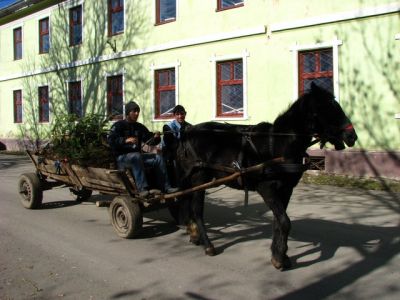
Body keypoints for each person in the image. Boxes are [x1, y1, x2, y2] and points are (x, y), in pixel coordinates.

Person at [108, 101, 179, 197]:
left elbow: (150, 140)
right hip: (121, 158)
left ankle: (166, 187)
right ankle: (142, 189)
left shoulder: (139, 127)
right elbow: (111, 141)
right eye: (134, 111)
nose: (137, 113)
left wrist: (156, 137)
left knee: (158, 158)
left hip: (137, 158)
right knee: (136, 156)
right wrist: (125, 140)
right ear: (128, 112)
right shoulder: (118, 126)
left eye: (138, 111)